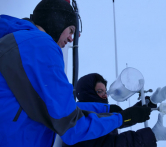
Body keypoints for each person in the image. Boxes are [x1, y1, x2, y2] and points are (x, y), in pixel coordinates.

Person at [0, 0, 152, 146]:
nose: (71, 39)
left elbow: (61, 106)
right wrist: (122, 118)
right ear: (56, 20)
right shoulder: (41, 45)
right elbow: (72, 126)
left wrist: (108, 109)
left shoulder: (20, 41)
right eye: (71, 30)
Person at [63, 73, 166, 147]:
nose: (105, 95)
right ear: (87, 93)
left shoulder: (100, 112)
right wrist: (151, 136)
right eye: (100, 91)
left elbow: (124, 117)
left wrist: (151, 102)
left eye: (105, 91)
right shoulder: (78, 114)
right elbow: (112, 144)